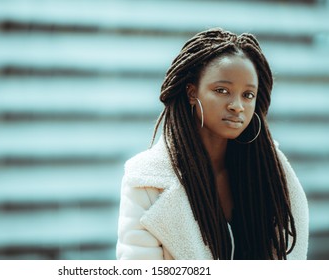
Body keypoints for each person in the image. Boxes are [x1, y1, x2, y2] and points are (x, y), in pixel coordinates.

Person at [116, 28, 309, 260]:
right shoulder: (146, 180)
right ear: (191, 92)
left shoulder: (273, 172)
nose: (237, 105)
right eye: (222, 90)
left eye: (248, 95)